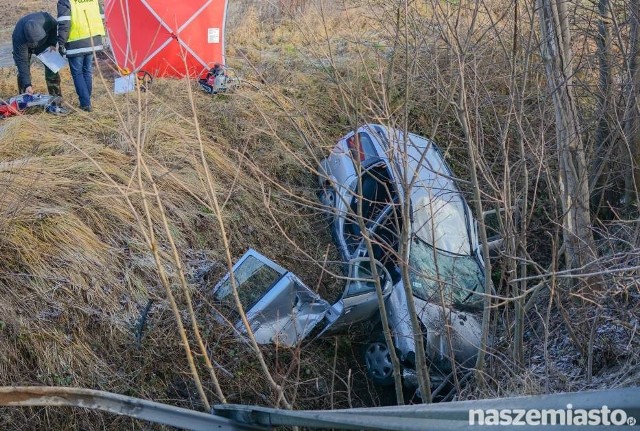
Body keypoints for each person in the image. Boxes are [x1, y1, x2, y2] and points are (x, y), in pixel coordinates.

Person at [12, 12, 66, 113]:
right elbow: (22, 62)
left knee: (51, 68)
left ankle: (56, 98)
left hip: (44, 43)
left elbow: (54, 27)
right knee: (23, 72)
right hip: (25, 46)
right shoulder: (19, 37)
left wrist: (52, 44)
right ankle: (25, 100)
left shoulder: (47, 20)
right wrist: (27, 84)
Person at [57, 0, 106, 112]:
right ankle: (87, 101)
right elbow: (102, 16)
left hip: (76, 42)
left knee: (78, 73)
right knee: (87, 71)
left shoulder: (65, 2)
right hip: (93, 40)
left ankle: (85, 104)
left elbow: (64, 24)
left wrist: (61, 43)